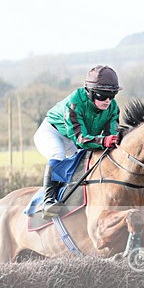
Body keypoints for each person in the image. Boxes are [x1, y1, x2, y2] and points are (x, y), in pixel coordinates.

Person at [33, 65, 121, 217]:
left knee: (84, 164)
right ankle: (48, 201)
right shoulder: (74, 103)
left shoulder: (112, 108)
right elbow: (80, 138)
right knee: (58, 154)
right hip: (52, 132)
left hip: (76, 138)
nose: (107, 101)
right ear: (90, 92)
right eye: (102, 96)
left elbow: (111, 139)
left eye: (111, 96)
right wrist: (103, 141)